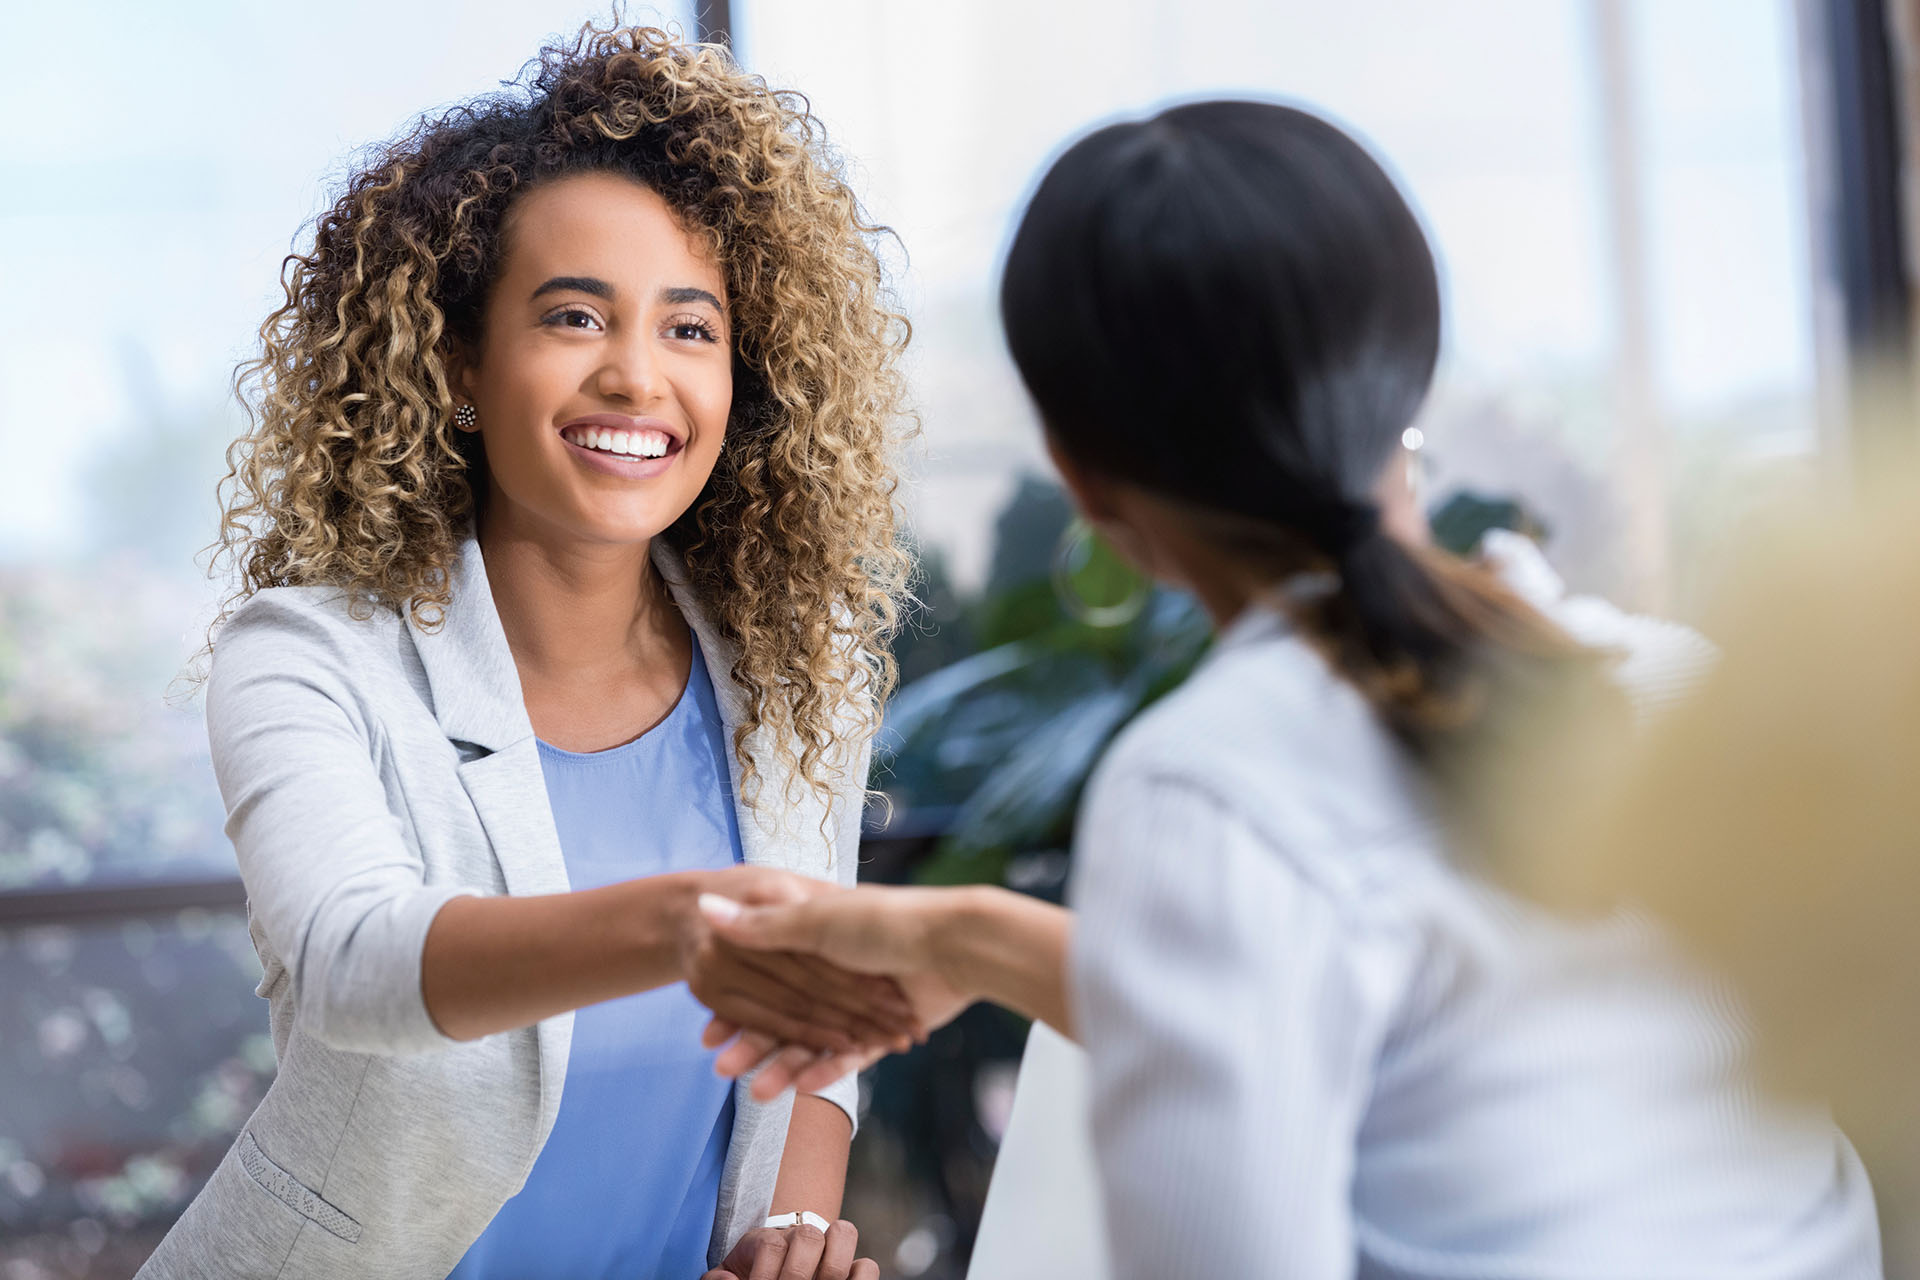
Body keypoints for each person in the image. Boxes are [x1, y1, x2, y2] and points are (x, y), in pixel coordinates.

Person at [691, 100, 1884, 1278]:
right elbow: (1449, 1065)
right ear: (1409, 371)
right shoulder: (1673, 684)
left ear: (1078, 473)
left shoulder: (1211, 786)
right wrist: (983, 938)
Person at [140, 25, 913, 1280]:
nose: (635, 376)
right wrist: (687, 921)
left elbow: (815, 1036)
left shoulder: (794, 663)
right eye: (573, 315)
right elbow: (358, 963)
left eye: (690, 328)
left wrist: (793, 1240)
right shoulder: (307, 658)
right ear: (457, 360)